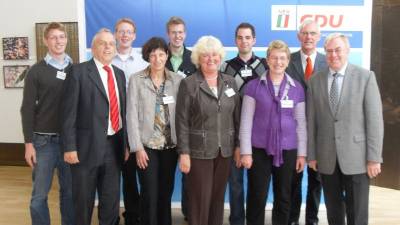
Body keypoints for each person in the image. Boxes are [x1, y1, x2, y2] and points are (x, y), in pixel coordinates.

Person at [307, 33, 384, 225]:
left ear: (347, 51)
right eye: (329, 51)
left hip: (357, 157)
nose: (333, 55)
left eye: (338, 50)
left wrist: (374, 157)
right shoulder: (315, 81)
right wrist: (312, 154)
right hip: (326, 157)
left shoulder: (366, 77)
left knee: (357, 213)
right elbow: (312, 121)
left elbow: (375, 120)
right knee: (333, 212)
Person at [61, 28, 128, 225]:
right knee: (83, 201)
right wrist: (70, 147)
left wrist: (124, 145)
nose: (108, 47)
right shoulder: (78, 72)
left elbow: (122, 113)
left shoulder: (120, 74)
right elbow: (68, 114)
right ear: (93, 47)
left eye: (111, 44)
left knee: (110, 201)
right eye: (103, 43)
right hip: (84, 149)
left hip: (114, 147)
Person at [175, 35, 241, 225]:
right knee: (199, 199)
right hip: (198, 151)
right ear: (198, 58)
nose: (211, 59)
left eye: (214, 55)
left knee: (217, 198)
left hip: (225, 151)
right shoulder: (189, 83)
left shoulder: (230, 82)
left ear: (220, 57)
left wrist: (237, 146)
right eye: (205, 55)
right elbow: (182, 121)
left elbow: (236, 118)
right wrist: (184, 153)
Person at [240, 40, 306, 225]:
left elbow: (301, 123)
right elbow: (246, 121)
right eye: (274, 57)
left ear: (288, 60)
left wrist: (302, 154)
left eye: (282, 58)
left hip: (288, 150)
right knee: (256, 196)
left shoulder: (297, 89)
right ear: (267, 60)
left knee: (284, 197)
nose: (278, 62)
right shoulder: (253, 86)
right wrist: (246, 152)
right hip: (259, 149)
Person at [20, 22, 74, 225]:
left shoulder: (75, 69)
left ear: (66, 39)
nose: (58, 41)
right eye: (53, 37)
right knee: (39, 197)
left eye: (61, 36)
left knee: (69, 194)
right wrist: (28, 144)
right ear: (45, 41)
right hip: (43, 143)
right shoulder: (36, 71)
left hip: (69, 143)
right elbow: (26, 109)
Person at [126, 37, 182, 225]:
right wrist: (137, 148)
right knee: (149, 193)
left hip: (170, 146)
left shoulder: (177, 81)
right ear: (147, 57)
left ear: (167, 55)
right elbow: (131, 115)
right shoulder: (137, 80)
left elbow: (182, 115)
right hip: (146, 146)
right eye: (153, 55)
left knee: (165, 193)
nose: (157, 59)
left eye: (161, 54)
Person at [220, 22, 268, 225]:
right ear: (235, 40)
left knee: (258, 184)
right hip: (233, 132)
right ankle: (237, 220)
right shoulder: (225, 67)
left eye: (248, 37)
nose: (244, 41)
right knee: (235, 182)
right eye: (240, 37)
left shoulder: (265, 65)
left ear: (254, 40)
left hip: (259, 134)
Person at [285, 19, 327, 225]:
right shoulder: (287, 60)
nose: (309, 37)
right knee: (294, 178)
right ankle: (292, 219)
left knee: (316, 181)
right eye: (305, 33)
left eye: (313, 33)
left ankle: (312, 219)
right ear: (299, 36)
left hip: (320, 132)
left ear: (319, 37)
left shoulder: (328, 62)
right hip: (294, 131)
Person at [112, 17, 148, 225]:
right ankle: (121, 213)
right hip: (114, 126)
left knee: (139, 173)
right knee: (121, 173)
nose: (124, 35)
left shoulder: (143, 63)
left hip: (137, 126)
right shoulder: (108, 60)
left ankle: (136, 213)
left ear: (134, 36)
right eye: (121, 31)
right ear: (116, 34)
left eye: (128, 32)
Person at [164, 16, 196, 220]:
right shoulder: (158, 55)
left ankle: (188, 213)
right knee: (165, 176)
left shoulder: (194, 58)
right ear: (168, 33)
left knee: (189, 174)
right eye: (174, 32)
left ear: (185, 33)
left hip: (189, 124)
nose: (177, 36)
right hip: (163, 124)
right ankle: (162, 214)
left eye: (181, 32)